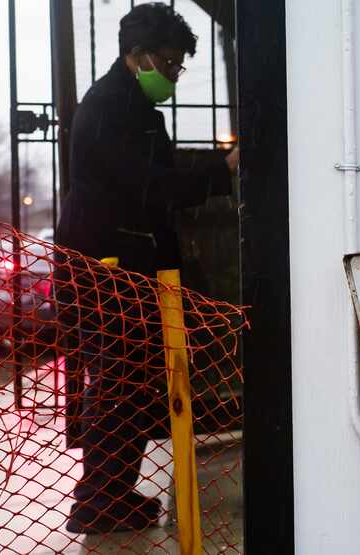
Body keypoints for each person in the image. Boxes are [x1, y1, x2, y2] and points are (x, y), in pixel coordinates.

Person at [54, 2, 238, 534]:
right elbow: (151, 186)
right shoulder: (111, 108)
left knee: (130, 383)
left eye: (180, 66)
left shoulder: (134, 109)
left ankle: (112, 494)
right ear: (136, 56)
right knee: (117, 382)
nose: (175, 75)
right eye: (170, 63)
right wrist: (220, 172)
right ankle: (98, 501)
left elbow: (161, 176)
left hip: (125, 268)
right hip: (103, 268)